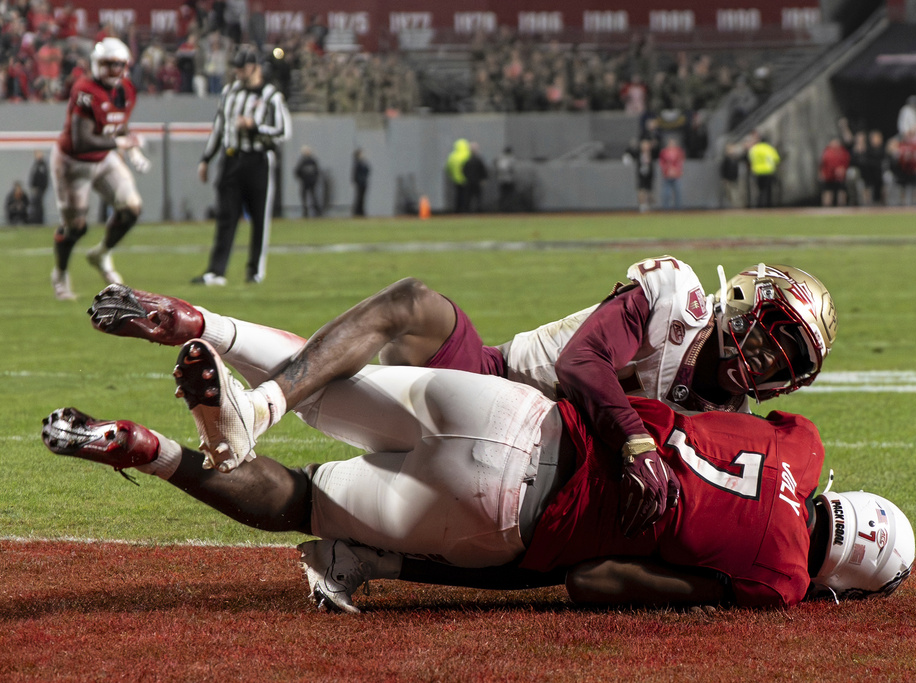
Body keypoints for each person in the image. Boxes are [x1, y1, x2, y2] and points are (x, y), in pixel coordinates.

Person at [41, 347, 914, 613]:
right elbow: (597, 579)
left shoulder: (804, 443)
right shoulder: (781, 581)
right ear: (841, 579)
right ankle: (153, 450)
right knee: (302, 499)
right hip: (505, 513)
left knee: (327, 380)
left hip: (520, 413)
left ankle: (230, 357)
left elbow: (733, 413)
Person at [87, 257, 837, 536]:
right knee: (411, 304)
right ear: (746, 301)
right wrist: (635, 441)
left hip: (541, 470)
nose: (770, 356)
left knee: (355, 391)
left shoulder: (729, 424)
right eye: (776, 333)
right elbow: (582, 362)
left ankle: (212, 335)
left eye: (789, 359)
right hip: (494, 380)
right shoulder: (676, 296)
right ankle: (247, 400)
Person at [48, 37, 150, 301]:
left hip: (103, 158)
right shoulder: (85, 89)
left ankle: (102, 253)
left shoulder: (127, 89)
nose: (113, 70)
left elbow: (119, 123)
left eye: (117, 64)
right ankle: (60, 273)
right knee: (76, 227)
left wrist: (132, 148)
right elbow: (81, 141)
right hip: (73, 162)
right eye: (108, 64)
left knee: (132, 208)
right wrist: (120, 143)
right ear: (97, 63)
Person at [194, 46, 292, 286]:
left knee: (259, 218)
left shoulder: (271, 95)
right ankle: (216, 272)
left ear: (255, 68)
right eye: (236, 67)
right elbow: (219, 127)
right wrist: (206, 159)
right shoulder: (229, 92)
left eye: (242, 67)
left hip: (258, 160)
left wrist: (255, 127)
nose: (237, 72)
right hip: (230, 159)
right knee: (225, 216)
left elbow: (283, 131)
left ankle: (255, 271)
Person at [747, 131, 780, 208]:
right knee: (768, 190)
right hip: (768, 171)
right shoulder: (769, 148)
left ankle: (759, 206)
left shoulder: (754, 149)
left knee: (759, 190)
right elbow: (776, 159)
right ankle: (768, 206)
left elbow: (750, 159)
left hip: (757, 172)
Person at [818, 137, 850, 207]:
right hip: (829, 176)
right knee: (828, 193)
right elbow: (822, 164)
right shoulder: (826, 152)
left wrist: (843, 170)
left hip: (840, 177)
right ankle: (826, 208)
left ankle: (842, 207)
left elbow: (846, 162)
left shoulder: (843, 152)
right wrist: (822, 173)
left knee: (841, 193)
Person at [293, 145, 321, 218]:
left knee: (313, 197)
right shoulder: (302, 161)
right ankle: (305, 211)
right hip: (305, 183)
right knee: (304, 198)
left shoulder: (312, 161)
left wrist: (314, 179)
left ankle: (317, 211)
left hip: (312, 183)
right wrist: (301, 179)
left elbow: (317, 171)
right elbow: (297, 171)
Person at [658, 137, 684, 210]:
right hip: (667, 175)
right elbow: (662, 163)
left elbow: (680, 163)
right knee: (666, 193)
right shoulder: (664, 152)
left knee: (678, 192)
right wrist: (667, 170)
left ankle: (678, 208)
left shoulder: (678, 152)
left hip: (676, 175)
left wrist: (677, 171)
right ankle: (666, 208)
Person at [446, 138, 471, 213]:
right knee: (466, 195)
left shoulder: (452, 156)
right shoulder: (467, 155)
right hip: (466, 179)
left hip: (456, 179)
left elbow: (448, 168)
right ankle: (465, 209)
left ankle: (458, 209)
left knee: (458, 195)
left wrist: (452, 175)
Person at [463, 142, 488, 213]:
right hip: (477, 181)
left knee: (468, 197)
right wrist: (483, 179)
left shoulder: (467, 160)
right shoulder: (478, 160)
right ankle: (479, 210)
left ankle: (467, 211)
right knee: (478, 197)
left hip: (469, 181)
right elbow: (483, 170)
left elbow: (464, 171)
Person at [28, 150, 49, 224]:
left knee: (39, 205)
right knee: (35, 205)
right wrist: (33, 186)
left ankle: (39, 220)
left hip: (40, 189)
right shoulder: (35, 164)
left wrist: (42, 188)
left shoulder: (43, 165)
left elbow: (44, 178)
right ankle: (35, 220)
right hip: (35, 189)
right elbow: (32, 177)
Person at [495, 146, 516, 212]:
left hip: (501, 180)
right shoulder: (510, 158)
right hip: (509, 180)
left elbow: (497, 169)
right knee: (509, 196)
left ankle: (502, 209)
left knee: (503, 195)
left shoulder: (500, 158)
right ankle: (509, 209)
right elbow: (512, 169)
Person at [351, 148, 370, 217]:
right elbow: (355, 173)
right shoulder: (358, 163)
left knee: (362, 198)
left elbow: (368, 170)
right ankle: (358, 211)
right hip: (360, 182)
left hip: (364, 182)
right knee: (359, 197)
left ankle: (361, 211)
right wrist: (357, 181)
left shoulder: (363, 162)